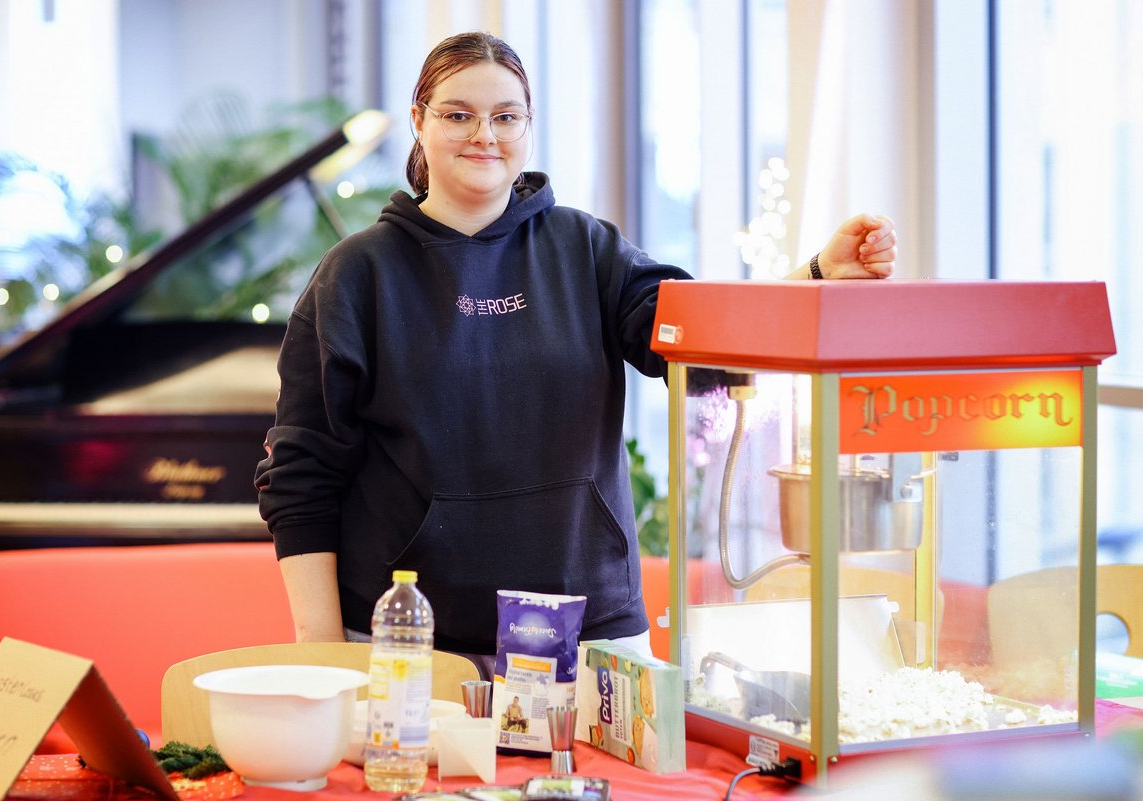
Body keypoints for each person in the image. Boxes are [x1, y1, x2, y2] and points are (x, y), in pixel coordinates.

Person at [254, 31, 896, 675]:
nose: (486, 134)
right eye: (459, 114)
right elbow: (301, 477)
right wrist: (322, 656)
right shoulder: (357, 275)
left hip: (593, 633)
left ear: (528, 126)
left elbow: (702, 340)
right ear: (419, 120)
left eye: (507, 116)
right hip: (412, 642)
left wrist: (814, 276)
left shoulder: (586, 248)